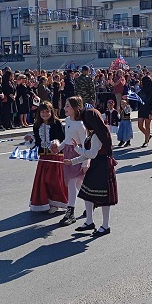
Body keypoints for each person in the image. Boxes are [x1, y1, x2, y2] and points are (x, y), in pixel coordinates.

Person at [65, 108, 117, 237]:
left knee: (104, 198)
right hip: (96, 166)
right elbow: (87, 155)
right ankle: (89, 221)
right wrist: (73, 161)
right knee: (87, 194)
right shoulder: (95, 133)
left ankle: (105, 226)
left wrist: (77, 149)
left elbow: (91, 154)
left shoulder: (97, 136)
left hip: (102, 167)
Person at [28, 100, 67, 213]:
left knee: (54, 180)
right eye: (42, 112)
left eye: (47, 112)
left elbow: (61, 137)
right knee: (43, 180)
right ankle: (46, 202)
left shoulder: (57, 123)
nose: (45, 114)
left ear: (51, 112)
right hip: (43, 157)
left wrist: (56, 143)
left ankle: (55, 203)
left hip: (55, 155)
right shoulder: (36, 125)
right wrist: (31, 140)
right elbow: (37, 142)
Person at [57, 96, 88, 226]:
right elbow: (67, 139)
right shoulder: (68, 120)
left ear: (76, 108)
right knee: (78, 185)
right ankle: (90, 203)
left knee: (72, 183)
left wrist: (85, 162)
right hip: (67, 153)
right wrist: (58, 147)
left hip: (77, 154)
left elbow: (85, 145)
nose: (65, 108)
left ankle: (70, 212)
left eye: (68, 106)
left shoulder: (81, 125)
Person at [136, 76, 152, 147]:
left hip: (149, 109)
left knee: (147, 126)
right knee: (140, 125)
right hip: (141, 109)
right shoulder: (142, 90)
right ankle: (148, 135)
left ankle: (146, 141)